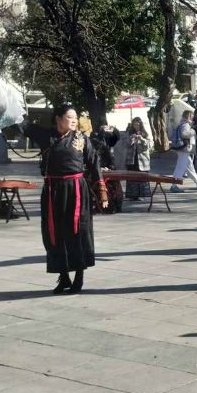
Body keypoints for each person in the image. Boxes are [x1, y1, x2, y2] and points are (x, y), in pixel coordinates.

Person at [21, 104, 108, 294]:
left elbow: (94, 162)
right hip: (53, 191)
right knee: (54, 234)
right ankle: (64, 276)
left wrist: (102, 190)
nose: (74, 120)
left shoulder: (81, 139)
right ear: (58, 119)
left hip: (76, 190)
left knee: (78, 232)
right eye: (70, 117)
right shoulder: (46, 137)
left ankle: (79, 277)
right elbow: (23, 125)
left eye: (75, 117)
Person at [170, 110, 197, 192]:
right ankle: (174, 185)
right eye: (192, 116)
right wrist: (193, 131)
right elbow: (184, 134)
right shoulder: (185, 124)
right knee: (180, 167)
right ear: (188, 116)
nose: (193, 117)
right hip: (184, 149)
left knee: (190, 167)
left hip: (183, 149)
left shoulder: (182, 123)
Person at [124, 117, 152, 201]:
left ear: (141, 124)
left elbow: (149, 146)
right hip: (132, 159)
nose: (136, 126)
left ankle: (141, 195)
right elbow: (126, 145)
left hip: (142, 160)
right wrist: (131, 140)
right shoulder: (130, 133)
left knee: (141, 178)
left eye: (138, 124)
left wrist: (141, 139)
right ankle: (132, 195)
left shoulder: (145, 133)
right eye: (134, 124)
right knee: (132, 178)